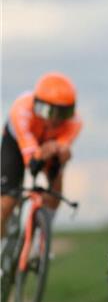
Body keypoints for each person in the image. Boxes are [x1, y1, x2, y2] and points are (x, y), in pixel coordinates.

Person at [1, 73, 82, 234]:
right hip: (17, 144)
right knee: (7, 200)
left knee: (56, 188)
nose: (56, 120)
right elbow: (31, 161)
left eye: (64, 114)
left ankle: (41, 235)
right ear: (37, 106)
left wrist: (62, 155)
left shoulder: (75, 123)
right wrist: (41, 154)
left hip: (47, 145)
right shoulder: (21, 111)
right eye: (49, 112)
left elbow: (60, 153)